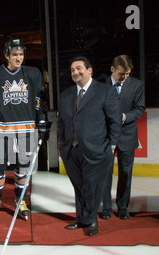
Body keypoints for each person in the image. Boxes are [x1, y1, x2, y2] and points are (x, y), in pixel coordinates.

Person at [0, 38, 50, 220]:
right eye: (15, 54)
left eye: (21, 54)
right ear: (6, 55)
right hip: (0, 130)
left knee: (23, 168)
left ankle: (21, 199)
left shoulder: (33, 74)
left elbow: (39, 102)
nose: (18, 58)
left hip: (26, 130)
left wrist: (42, 123)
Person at [57, 56, 121, 236]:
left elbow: (115, 121)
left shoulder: (104, 91)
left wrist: (111, 145)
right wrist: (62, 144)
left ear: (90, 70)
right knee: (79, 186)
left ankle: (91, 220)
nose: (75, 72)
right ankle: (81, 218)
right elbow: (61, 122)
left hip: (96, 149)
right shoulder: (66, 94)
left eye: (79, 68)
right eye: (72, 70)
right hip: (71, 150)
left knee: (91, 186)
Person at [102, 55, 145, 220]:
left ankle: (122, 207)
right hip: (105, 136)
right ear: (112, 69)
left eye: (127, 74)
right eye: (122, 74)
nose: (125, 77)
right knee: (105, 173)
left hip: (127, 135)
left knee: (126, 173)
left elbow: (140, 108)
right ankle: (106, 207)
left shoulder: (137, 85)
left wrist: (125, 116)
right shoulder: (100, 85)